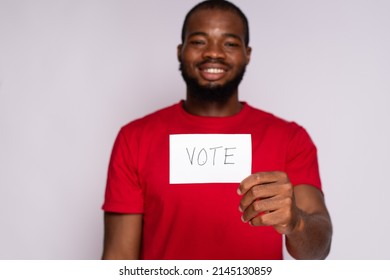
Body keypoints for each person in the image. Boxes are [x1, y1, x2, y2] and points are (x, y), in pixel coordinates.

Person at [101, 0, 332, 260]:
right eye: (199, 41)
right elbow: (118, 258)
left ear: (247, 53)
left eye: (230, 43)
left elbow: (318, 249)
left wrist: (296, 222)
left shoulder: (290, 138)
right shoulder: (135, 139)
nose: (214, 53)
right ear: (180, 51)